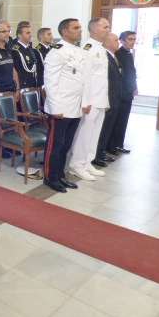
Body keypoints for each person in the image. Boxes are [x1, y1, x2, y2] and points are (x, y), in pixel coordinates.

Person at [42, 18, 85, 193]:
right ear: (65, 31)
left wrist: (84, 103)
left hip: (75, 107)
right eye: (76, 28)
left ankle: (60, 175)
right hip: (60, 108)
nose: (80, 30)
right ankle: (50, 177)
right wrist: (56, 108)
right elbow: (50, 82)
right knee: (55, 146)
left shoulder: (79, 51)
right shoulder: (57, 52)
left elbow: (81, 80)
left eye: (80, 27)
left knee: (66, 145)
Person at [69, 17, 111, 181]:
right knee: (85, 134)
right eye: (105, 27)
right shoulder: (88, 48)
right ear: (94, 29)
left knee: (94, 134)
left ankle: (87, 162)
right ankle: (76, 165)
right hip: (90, 101)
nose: (108, 29)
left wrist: (105, 101)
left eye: (108, 27)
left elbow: (101, 79)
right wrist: (85, 101)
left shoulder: (100, 48)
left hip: (100, 99)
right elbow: (84, 78)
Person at [95, 33, 123, 165]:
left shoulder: (113, 56)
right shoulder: (104, 56)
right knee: (103, 129)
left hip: (115, 97)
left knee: (108, 128)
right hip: (108, 99)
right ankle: (97, 155)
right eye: (116, 40)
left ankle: (102, 151)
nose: (118, 42)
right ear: (107, 42)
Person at [110, 31, 137, 154]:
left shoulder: (129, 54)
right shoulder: (118, 54)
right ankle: (112, 146)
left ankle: (119, 144)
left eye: (134, 39)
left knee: (123, 121)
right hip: (120, 93)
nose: (133, 42)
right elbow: (119, 76)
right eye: (130, 39)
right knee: (116, 121)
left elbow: (132, 73)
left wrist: (134, 87)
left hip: (128, 93)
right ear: (122, 40)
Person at [0, 21, 17, 94]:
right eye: (4, 32)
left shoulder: (9, 49)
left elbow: (13, 69)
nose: (7, 34)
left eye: (8, 31)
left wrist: (17, 88)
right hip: (0, 91)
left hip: (12, 89)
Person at [11, 23, 42, 89]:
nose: (30, 35)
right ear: (19, 35)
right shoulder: (15, 51)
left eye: (30, 33)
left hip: (33, 85)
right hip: (23, 86)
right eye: (27, 33)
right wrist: (18, 88)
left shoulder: (32, 50)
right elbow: (15, 71)